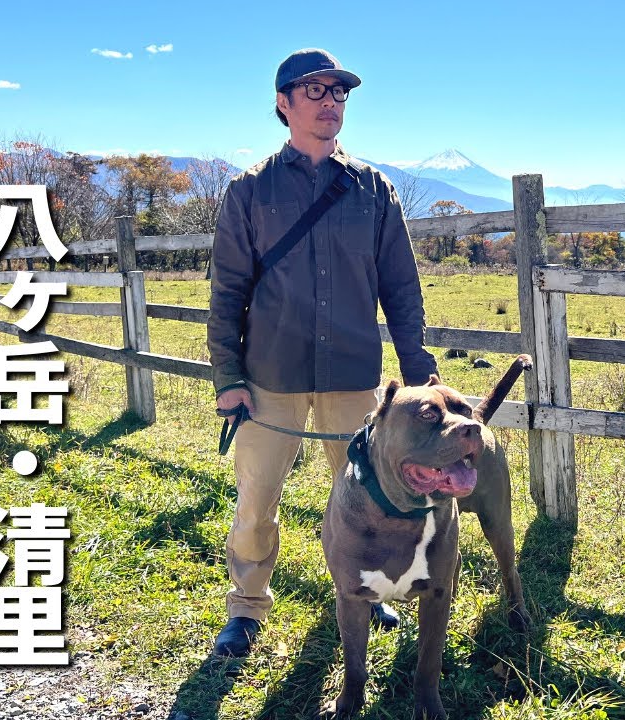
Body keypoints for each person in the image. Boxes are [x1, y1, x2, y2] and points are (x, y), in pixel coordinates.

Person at [206, 48, 438, 657]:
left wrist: (420, 374)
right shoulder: (249, 191)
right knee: (257, 498)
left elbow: (401, 286)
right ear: (282, 104)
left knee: (365, 496)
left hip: (354, 374)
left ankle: (366, 592)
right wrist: (228, 377)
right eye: (315, 91)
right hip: (270, 376)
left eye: (339, 93)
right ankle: (247, 607)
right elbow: (227, 291)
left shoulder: (372, 189)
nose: (331, 102)